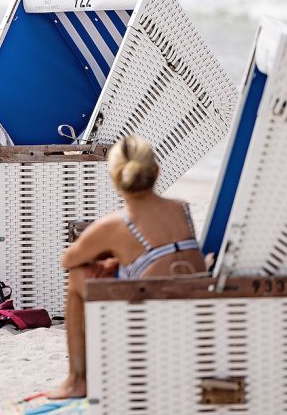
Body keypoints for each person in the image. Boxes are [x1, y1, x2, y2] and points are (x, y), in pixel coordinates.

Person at [47, 135, 206, 399]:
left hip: (146, 325)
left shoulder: (116, 225)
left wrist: (110, 257)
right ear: (156, 172)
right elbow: (161, 251)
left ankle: (77, 380)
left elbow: (68, 259)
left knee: (78, 275)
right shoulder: (182, 209)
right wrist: (120, 258)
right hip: (195, 316)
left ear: (114, 178)